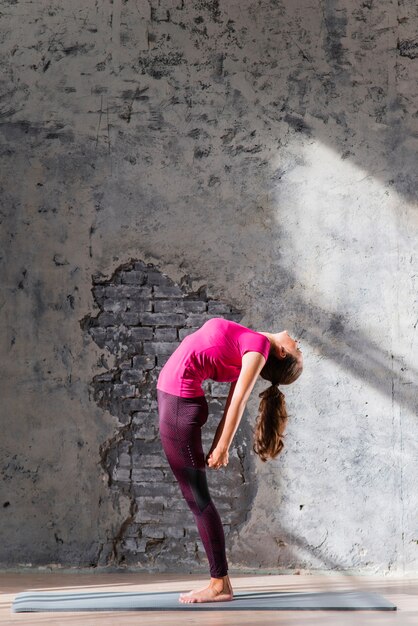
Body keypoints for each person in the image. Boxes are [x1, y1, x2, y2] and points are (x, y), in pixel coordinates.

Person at [156, 316, 303, 603]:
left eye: (298, 350)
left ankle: (219, 584)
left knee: (198, 498)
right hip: (177, 404)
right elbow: (229, 403)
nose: (299, 343)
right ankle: (219, 582)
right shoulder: (249, 346)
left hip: (178, 407)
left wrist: (223, 447)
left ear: (282, 352)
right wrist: (217, 443)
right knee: (196, 497)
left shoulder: (258, 347)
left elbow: (239, 400)